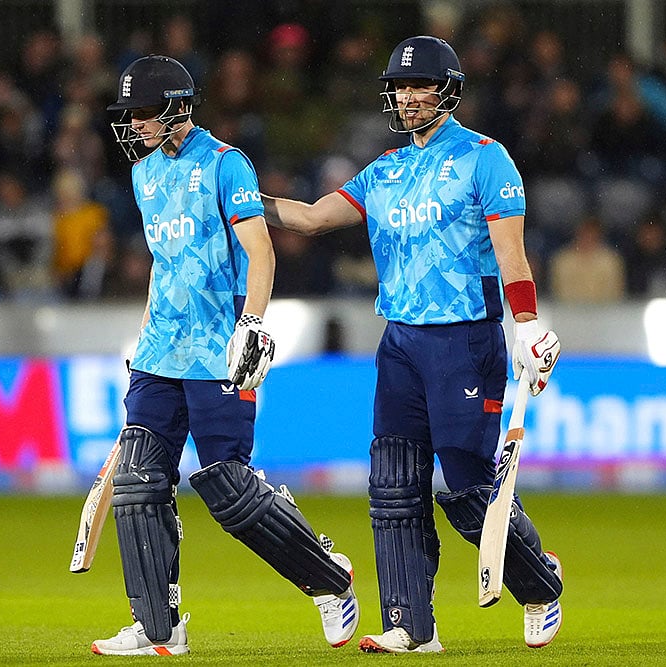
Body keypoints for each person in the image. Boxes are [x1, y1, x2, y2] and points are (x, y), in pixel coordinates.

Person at [261, 36, 564, 653]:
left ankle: (538, 585)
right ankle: (409, 624)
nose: (405, 96)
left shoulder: (487, 159)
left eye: (416, 86)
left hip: (466, 342)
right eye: (398, 87)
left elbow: (513, 255)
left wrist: (527, 324)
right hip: (399, 343)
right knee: (393, 483)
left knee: (466, 485)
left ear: (447, 91)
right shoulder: (385, 170)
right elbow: (315, 218)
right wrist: (244, 202)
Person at [89, 55, 359, 656]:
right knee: (138, 482)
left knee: (229, 489)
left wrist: (254, 325)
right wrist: (141, 342)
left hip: (218, 351)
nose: (132, 125)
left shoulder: (225, 163)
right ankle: (158, 629)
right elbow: (166, 267)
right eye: (127, 115)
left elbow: (260, 251)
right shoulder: (143, 174)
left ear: (174, 108)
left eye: (140, 114)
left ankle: (329, 578)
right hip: (159, 353)